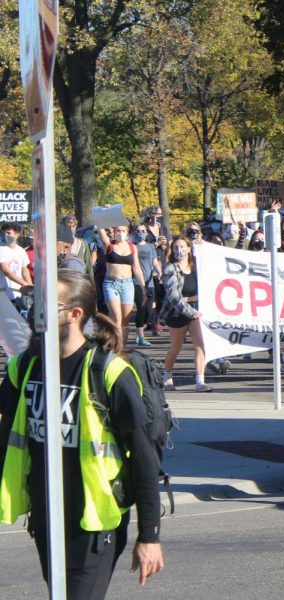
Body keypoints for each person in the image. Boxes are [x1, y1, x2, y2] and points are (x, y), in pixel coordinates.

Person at [0, 270, 164, 596]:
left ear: (75, 314)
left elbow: (144, 458)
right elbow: (6, 440)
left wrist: (150, 536)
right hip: (45, 518)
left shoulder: (109, 371)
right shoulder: (25, 367)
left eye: (47, 304)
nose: (35, 310)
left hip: (94, 526)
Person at [160, 237, 211, 392]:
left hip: (196, 306)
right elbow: (174, 296)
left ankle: (200, 380)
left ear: (189, 249)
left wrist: (205, 247)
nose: (179, 250)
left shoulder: (197, 266)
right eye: (175, 247)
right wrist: (190, 311)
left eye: (182, 247)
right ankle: (167, 376)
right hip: (177, 311)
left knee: (200, 345)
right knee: (176, 346)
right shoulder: (170, 269)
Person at [98, 224, 146, 341]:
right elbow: (100, 230)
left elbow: (136, 268)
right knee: (116, 318)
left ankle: (122, 347)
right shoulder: (110, 245)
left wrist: (143, 285)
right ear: (114, 232)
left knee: (125, 320)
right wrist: (104, 214)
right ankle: (115, 346)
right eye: (118, 231)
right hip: (111, 284)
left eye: (123, 231)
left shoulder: (132, 247)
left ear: (128, 233)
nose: (120, 233)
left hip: (127, 284)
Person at [133, 224, 161, 347]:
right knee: (141, 307)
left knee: (149, 309)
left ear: (146, 233)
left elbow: (154, 262)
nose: (141, 233)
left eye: (143, 231)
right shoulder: (132, 247)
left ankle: (139, 329)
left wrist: (159, 272)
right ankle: (140, 337)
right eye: (138, 231)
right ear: (135, 233)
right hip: (136, 282)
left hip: (149, 282)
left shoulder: (150, 247)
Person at [0, 222, 32, 304]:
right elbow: (6, 271)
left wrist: (30, 286)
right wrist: (25, 284)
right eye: (4, 233)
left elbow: (24, 270)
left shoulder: (21, 251)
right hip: (3, 294)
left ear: (17, 234)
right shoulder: (1, 250)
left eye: (8, 233)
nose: (5, 235)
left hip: (18, 294)